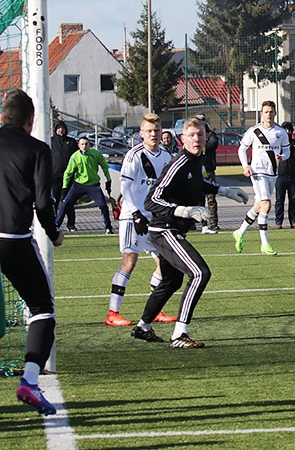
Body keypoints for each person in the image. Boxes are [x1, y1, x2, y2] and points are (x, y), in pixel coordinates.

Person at [131, 117, 248, 348]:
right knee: (200, 273)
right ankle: (179, 334)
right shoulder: (180, 162)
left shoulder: (197, 160)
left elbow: (197, 183)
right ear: (183, 139)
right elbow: (152, 199)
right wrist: (182, 210)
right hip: (164, 229)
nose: (197, 139)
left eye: (200, 135)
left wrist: (224, 190)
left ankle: (143, 327)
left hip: (172, 229)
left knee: (171, 281)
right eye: (192, 135)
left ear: (206, 137)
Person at [0, 90, 65, 415]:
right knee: (41, 309)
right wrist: (54, 235)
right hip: (13, 239)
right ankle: (28, 380)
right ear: (31, 120)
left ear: (2, 117)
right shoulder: (38, 149)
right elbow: (43, 203)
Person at [104, 113, 177, 327]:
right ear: (141, 134)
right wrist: (135, 213)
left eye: (156, 130)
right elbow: (125, 187)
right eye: (149, 131)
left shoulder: (165, 156)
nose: (153, 134)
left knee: (165, 263)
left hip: (153, 218)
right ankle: (112, 313)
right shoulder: (134, 155)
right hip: (132, 217)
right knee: (129, 261)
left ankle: (155, 310)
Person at [233, 101, 290, 256]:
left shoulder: (280, 132)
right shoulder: (254, 131)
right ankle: (265, 243)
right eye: (266, 112)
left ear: (275, 113)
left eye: (271, 111)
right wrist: (245, 166)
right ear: (261, 114)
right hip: (258, 172)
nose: (269, 114)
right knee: (266, 204)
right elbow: (242, 149)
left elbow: (287, 152)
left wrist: (282, 156)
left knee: (259, 206)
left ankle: (240, 232)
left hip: (273, 172)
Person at [56, 136, 115, 234]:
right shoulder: (75, 156)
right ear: (78, 145)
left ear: (89, 145)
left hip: (93, 185)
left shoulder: (95, 154)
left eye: (86, 144)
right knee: (65, 203)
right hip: (78, 185)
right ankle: (56, 226)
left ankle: (108, 227)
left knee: (103, 205)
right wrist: (64, 188)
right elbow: (68, 173)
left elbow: (105, 167)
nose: (84, 146)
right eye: (82, 144)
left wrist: (108, 181)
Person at [274, 121, 295, 229]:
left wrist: (291, 151)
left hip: (293, 176)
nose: (287, 132)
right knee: (279, 200)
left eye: (289, 130)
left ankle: (294, 222)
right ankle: (278, 222)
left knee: (293, 200)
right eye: (285, 129)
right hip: (280, 176)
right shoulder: (278, 143)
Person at [50, 120, 78, 231]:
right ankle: (54, 224)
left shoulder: (71, 142)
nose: (60, 130)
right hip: (55, 177)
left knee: (69, 201)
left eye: (62, 128)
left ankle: (71, 224)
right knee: (55, 201)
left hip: (69, 177)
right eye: (58, 128)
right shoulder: (50, 141)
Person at [198, 114, 220, 234]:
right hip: (197, 170)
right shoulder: (195, 135)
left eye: (202, 120)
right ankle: (203, 224)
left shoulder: (211, 135)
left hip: (209, 170)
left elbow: (213, 144)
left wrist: (203, 142)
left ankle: (214, 223)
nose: (200, 122)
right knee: (199, 200)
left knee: (211, 198)